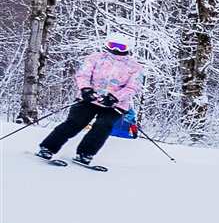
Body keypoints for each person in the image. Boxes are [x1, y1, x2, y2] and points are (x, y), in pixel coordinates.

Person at [35, 36, 141, 169]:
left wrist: (115, 97)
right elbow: (83, 75)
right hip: (89, 99)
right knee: (75, 122)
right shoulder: (96, 58)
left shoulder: (134, 67)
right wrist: (86, 90)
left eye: (121, 47)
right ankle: (47, 148)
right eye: (113, 45)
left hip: (114, 104)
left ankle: (85, 154)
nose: (115, 49)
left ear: (128, 48)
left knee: (103, 126)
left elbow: (133, 87)